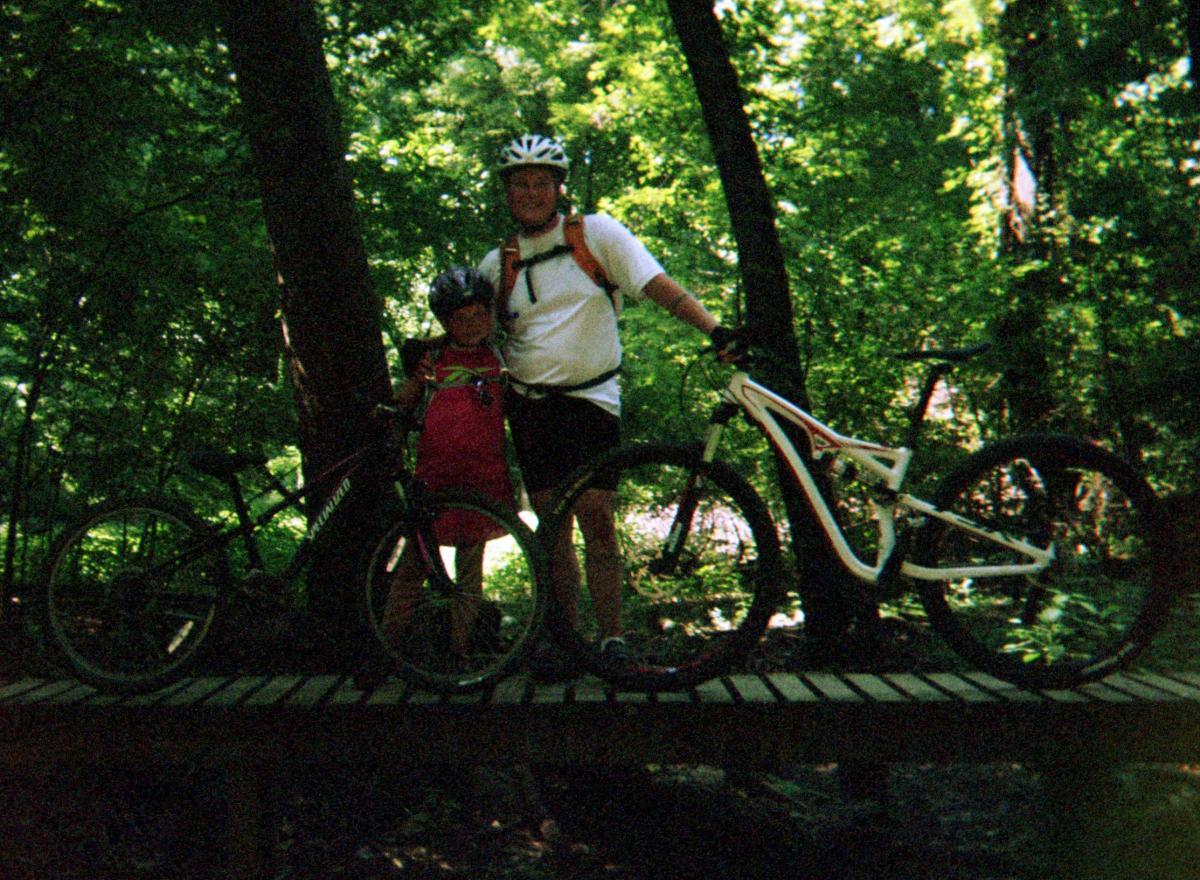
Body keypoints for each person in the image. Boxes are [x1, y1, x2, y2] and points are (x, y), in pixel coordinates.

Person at [477, 133, 737, 667]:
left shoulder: (595, 234)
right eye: (520, 184)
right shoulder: (495, 263)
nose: (530, 193)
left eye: (541, 183)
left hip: (591, 400)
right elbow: (470, 336)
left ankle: (612, 637)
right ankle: (566, 640)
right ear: (507, 192)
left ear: (558, 189)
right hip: (529, 405)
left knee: (596, 514)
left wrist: (715, 330)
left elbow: (655, 284)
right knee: (551, 528)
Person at [379, 266, 511, 656]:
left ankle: (459, 653)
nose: (471, 325)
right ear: (445, 322)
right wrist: (388, 411)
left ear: (491, 314)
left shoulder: (501, 355)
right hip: (434, 479)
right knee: (413, 568)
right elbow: (407, 395)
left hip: (483, 480)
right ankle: (386, 651)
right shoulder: (432, 357)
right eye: (460, 318)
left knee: (470, 572)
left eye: (478, 315)